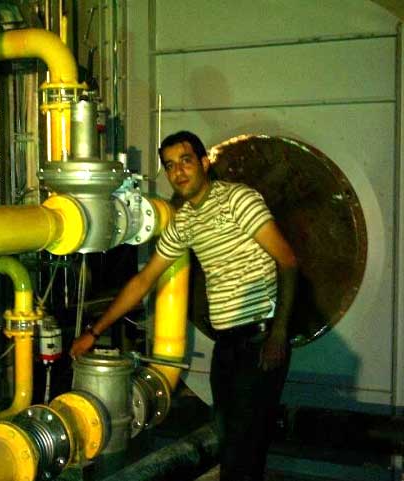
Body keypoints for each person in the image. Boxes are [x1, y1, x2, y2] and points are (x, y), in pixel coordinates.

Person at [70, 130, 298, 481]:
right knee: (230, 444)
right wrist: (93, 331)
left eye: (186, 161)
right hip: (227, 345)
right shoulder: (184, 221)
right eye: (170, 165)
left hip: (260, 338)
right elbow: (144, 281)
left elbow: (287, 261)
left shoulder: (238, 199)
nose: (178, 172)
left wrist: (279, 333)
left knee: (245, 449)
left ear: (205, 163)